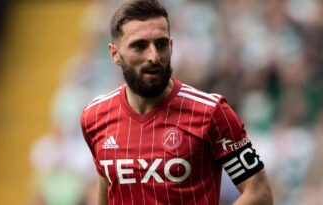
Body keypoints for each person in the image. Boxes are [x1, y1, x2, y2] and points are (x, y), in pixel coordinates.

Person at [80, 0, 273, 204]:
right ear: (114, 54)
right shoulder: (94, 116)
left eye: (161, 44)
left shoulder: (211, 112)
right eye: (139, 46)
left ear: (171, 47)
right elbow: (107, 186)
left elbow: (259, 192)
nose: (153, 56)